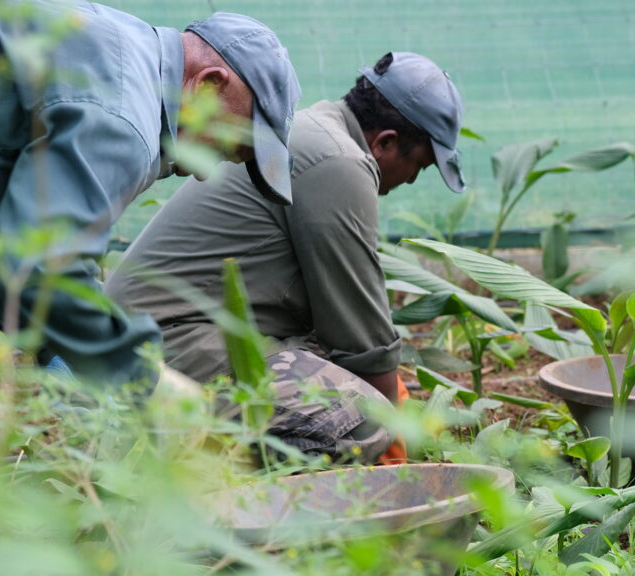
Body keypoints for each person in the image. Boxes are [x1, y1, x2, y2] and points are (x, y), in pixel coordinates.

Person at [0, 0, 302, 421]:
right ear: (207, 85)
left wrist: (62, 348)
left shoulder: (123, 53)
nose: (204, 175)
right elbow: (43, 267)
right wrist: (141, 380)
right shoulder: (125, 118)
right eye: (227, 147)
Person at [105, 52, 465, 463]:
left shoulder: (316, 132)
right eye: (419, 165)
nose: (413, 179)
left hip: (158, 331)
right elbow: (363, 342)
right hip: (165, 340)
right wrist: (393, 448)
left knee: (346, 390)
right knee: (359, 420)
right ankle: (229, 506)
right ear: (386, 142)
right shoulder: (339, 163)